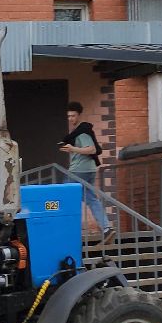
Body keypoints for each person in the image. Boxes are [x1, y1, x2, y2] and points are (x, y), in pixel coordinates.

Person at [57, 102, 112, 241]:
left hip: (79, 170)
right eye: (69, 116)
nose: (71, 118)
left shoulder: (82, 131)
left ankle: (66, 228)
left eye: (73, 116)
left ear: (79, 115)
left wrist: (72, 149)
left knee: (65, 194)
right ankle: (106, 228)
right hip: (89, 169)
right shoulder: (79, 131)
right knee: (90, 198)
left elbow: (92, 149)